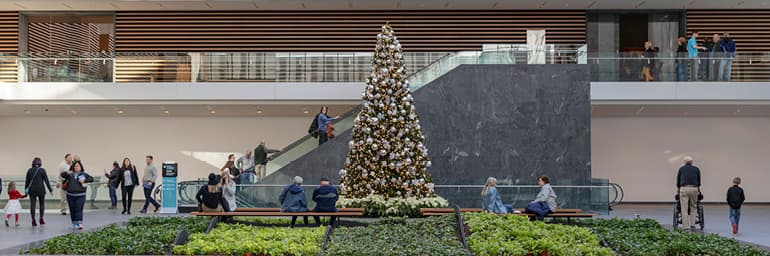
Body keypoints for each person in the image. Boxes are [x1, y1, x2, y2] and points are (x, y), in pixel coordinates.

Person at [60, 160, 94, 230]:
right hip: (70, 195)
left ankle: (80, 223)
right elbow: (62, 175)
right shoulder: (70, 175)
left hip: (81, 195)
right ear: (73, 167)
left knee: (79, 208)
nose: (76, 167)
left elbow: (92, 179)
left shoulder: (84, 174)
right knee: (72, 209)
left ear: (81, 167)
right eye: (75, 166)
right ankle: (74, 223)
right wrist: (67, 172)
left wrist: (84, 180)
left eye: (78, 166)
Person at [25, 157, 53, 227]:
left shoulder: (29, 170)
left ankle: (33, 220)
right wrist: (50, 190)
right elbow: (46, 181)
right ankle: (41, 218)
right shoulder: (42, 170)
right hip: (41, 190)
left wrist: (25, 191)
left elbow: (27, 182)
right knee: (42, 205)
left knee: (32, 205)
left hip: (32, 190)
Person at [676, 156, 701, 230]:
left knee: (684, 208)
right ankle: (693, 225)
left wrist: (678, 188)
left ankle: (686, 226)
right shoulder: (696, 169)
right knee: (693, 206)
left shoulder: (681, 169)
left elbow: (678, 181)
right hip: (694, 188)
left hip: (684, 188)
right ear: (692, 162)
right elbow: (699, 181)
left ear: (684, 162)